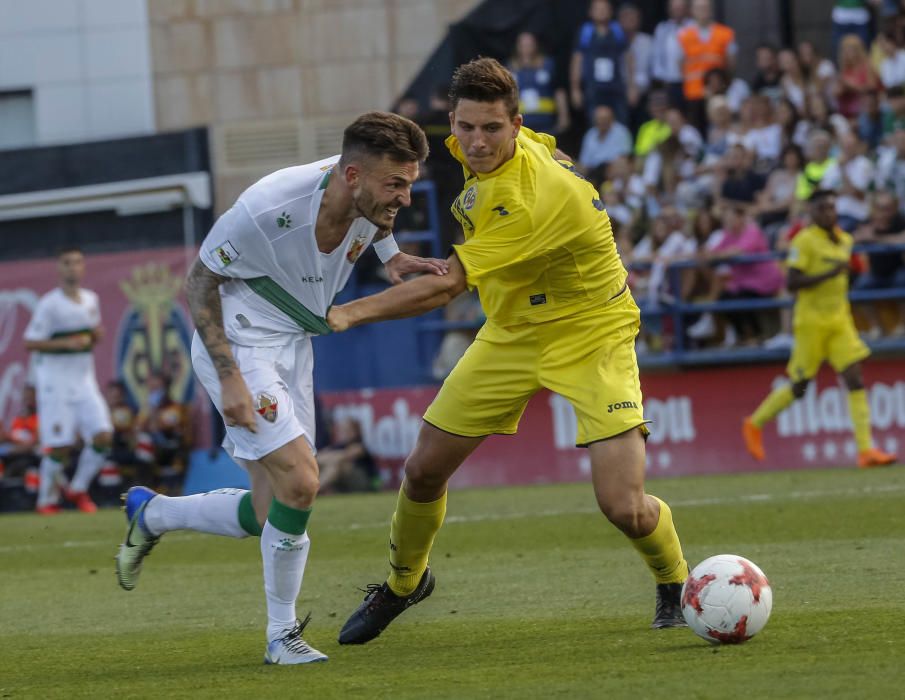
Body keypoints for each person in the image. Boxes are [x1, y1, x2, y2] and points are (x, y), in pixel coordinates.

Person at [328, 57, 690, 646]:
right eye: (466, 127)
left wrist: (346, 312)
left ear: (515, 126)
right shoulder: (519, 146)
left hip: (591, 329)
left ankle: (673, 579)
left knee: (623, 505)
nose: (476, 141)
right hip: (513, 328)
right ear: (453, 120)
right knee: (422, 471)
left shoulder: (531, 200)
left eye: (492, 129)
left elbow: (447, 286)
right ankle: (403, 582)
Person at [113, 111, 446, 665]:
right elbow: (199, 282)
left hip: (294, 339)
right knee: (301, 482)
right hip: (241, 341)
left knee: (270, 514)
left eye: (409, 184)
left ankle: (152, 515)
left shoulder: (366, 192)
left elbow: (380, 217)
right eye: (396, 185)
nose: (405, 199)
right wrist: (230, 379)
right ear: (353, 176)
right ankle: (281, 636)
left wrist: (391, 255)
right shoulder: (268, 208)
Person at [742, 190, 897, 469]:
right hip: (811, 324)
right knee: (800, 386)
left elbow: (850, 271)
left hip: (839, 320)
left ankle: (866, 450)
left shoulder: (845, 240)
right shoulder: (803, 241)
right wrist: (830, 272)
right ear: (812, 212)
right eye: (824, 209)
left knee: (855, 379)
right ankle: (755, 423)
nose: (830, 213)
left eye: (832, 208)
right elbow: (793, 282)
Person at [24, 247, 113, 515]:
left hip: (84, 380)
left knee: (103, 435)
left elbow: (90, 336)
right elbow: (30, 341)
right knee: (60, 444)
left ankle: (78, 488)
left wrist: (94, 338)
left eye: (76, 263)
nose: (72, 268)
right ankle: (46, 501)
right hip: (55, 382)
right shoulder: (49, 304)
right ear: (59, 269)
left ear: (83, 267)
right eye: (66, 263)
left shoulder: (91, 300)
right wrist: (66, 342)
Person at [677, 0, 737, 130]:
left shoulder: (725, 33)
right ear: (692, 11)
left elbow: (731, 63)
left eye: (705, 8)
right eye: (699, 8)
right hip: (694, 92)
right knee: (697, 128)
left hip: (719, 90)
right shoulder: (683, 35)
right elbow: (680, 64)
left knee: (721, 126)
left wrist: (724, 83)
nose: (702, 11)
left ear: (711, 10)